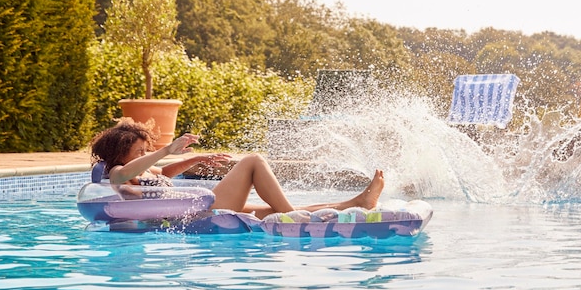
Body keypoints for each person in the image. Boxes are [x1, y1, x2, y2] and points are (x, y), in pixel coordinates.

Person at [90, 118, 385, 219]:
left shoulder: (144, 172)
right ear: (120, 153)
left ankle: (356, 203)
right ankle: (294, 218)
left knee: (273, 210)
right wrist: (166, 149)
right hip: (195, 212)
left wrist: (196, 160)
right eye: (140, 151)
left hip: (196, 209)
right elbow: (128, 173)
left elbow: (165, 173)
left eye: (147, 150)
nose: (147, 155)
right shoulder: (117, 175)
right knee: (253, 161)